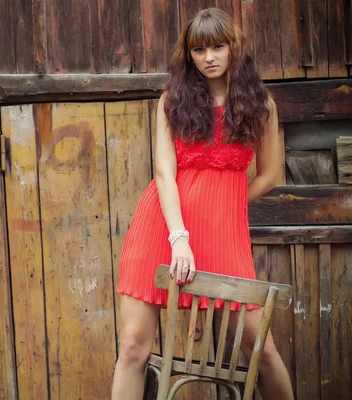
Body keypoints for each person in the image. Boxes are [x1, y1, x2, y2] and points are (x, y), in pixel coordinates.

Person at [111, 8, 294, 400]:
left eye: (217, 46)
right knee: (132, 347)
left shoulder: (261, 105)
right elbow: (163, 173)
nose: (208, 57)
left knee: (261, 350)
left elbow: (268, 176)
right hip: (162, 230)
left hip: (223, 237)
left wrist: (221, 206)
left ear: (233, 48)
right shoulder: (171, 101)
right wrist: (179, 236)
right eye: (198, 49)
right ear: (188, 55)